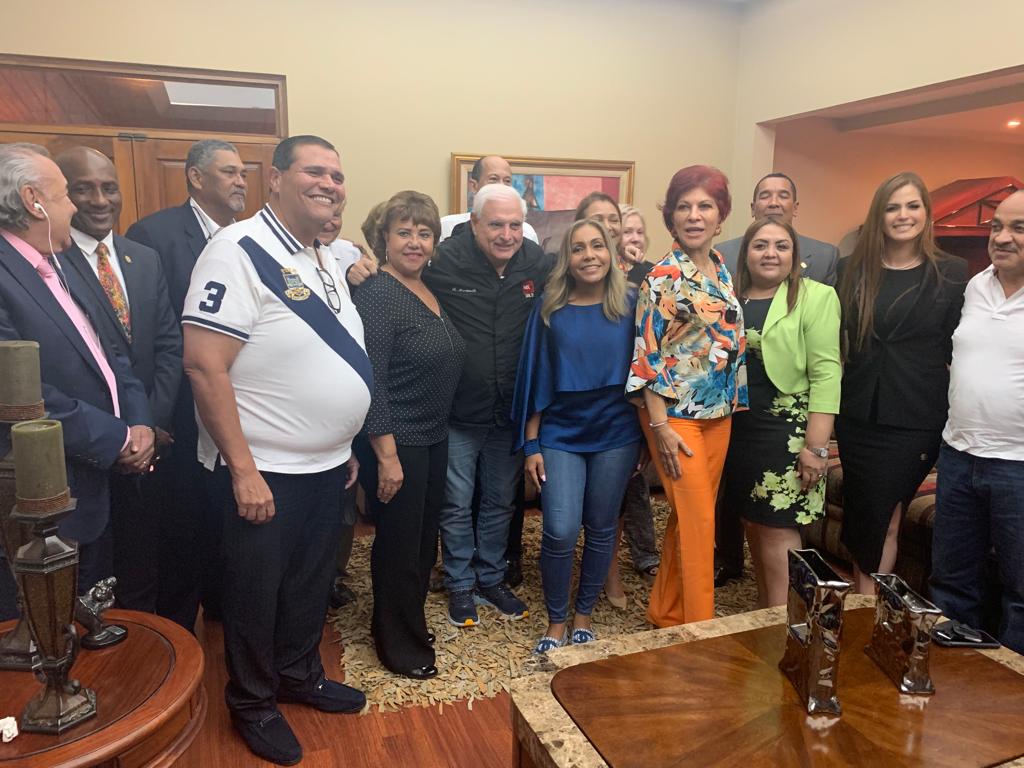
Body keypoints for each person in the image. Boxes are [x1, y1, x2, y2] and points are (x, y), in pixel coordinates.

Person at [182, 135, 369, 765]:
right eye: (314, 171)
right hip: (262, 473)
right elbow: (205, 367)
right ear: (276, 180)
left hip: (324, 466)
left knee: (309, 587)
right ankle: (253, 700)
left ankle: (298, 674)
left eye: (338, 176)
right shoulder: (235, 250)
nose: (329, 183)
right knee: (255, 594)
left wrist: (339, 441)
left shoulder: (323, 255)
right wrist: (243, 470)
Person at [0, 143, 154, 617]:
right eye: (66, 194)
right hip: (44, 498)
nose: (75, 207)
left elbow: (109, 354)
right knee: (48, 633)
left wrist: (140, 422)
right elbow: (19, 396)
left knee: (94, 620)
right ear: (34, 201)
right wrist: (118, 436)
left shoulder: (57, 262)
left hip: (91, 483)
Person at [125, 138, 248, 629]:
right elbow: (146, 335)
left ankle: (222, 608)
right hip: (178, 407)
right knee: (182, 525)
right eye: (229, 172)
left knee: (227, 515)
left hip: (237, 404)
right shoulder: (153, 235)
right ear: (196, 178)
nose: (241, 181)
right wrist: (154, 415)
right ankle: (173, 634)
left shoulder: (249, 239)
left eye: (243, 173)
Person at [55, 146, 182, 612]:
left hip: (151, 444)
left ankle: (147, 660)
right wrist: (123, 434)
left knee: (145, 564)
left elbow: (169, 345)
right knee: (91, 583)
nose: (99, 199)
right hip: (87, 453)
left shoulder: (142, 258)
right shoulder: (50, 261)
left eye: (109, 187)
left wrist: (150, 424)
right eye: (83, 188)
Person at [424, 183, 552, 627]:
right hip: (459, 410)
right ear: (473, 224)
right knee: (456, 502)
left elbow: (584, 276)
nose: (506, 234)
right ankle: (459, 583)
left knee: (500, 501)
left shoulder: (537, 263)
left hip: (509, 412)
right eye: (495, 224)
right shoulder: (442, 262)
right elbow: (395, 273)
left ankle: (491, 577)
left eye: (515, 225)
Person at [626, 165, 746, 627]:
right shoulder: (662, 276)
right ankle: (702, 632)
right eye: (684, 207)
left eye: (705, 206)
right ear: (671, 217)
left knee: (687, 520)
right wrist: (659, 430)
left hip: (719, 415)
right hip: (674, 417)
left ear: (720, 216)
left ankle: (666, 612)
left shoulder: (720, 269)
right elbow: (646, 355)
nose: (694, 216)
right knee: (700, 528)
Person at [836, 171, 968, 594]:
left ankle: (867, 603)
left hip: (915, 417)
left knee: (886, 512)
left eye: (912, 206)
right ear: (879, 215)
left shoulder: (952, 273)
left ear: (926, 214)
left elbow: (958, 348)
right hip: (857, 414)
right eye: (893, 207)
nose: (903, 215)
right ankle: (865, 603)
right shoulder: (849, 271)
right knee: (863, 510)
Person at [513, 218, 642, 652]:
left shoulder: (632, 303)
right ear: (565, 259)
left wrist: (647, 438)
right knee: (561, 528)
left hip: (617, 434)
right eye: (578, 248)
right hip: (561, 433)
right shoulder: (549, 307)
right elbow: (535, 379)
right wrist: (531, 444)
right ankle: (555, 621)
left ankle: (584, 614)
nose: (589, 256)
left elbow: (647, 377)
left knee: (602, 526)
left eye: (598, 246)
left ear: (612, 252)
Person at [352, 191, 466, 678]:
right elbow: (370, 378)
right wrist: (388, 457)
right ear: (384, 239)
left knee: (423, 542)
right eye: (404, 232)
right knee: (399, 545)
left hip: (432, 435)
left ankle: (408, 621)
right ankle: (396, 641)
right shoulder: (377, 293)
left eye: (424, 233)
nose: (415, 242)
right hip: (398, 439)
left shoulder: (427, 287)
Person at [714, 172, 840, 586]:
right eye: (761, 245)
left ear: (794, 253)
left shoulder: (816, 296)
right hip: (739, 427)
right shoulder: (732, 296)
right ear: (746, 252)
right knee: (753, 523)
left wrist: (817, 449)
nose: (771, 253)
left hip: (786, 432)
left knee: (777, 532)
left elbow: (827, 374)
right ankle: (766, 616)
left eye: (781, 246)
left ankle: (785, 627)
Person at [930, 190, 1024, 654]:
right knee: (952, 582)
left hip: (1018, 466)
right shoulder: (974, 285)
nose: (1003, 238)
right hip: (959, 455)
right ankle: (951, 678)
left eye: (1019, 228)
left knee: (1020, 591)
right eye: (996, 227)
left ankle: (1009, 701)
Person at [572, 198, 658, 609]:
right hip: (580, 415)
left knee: (622, 497)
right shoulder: (577, 277)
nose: (609, 227)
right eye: (599, 221)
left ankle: (614, 570)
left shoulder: (642, 278)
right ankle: (590, 572)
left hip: (630, 409)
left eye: (613, 221)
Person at [715, 173, 840, 286]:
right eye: (765, 196)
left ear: (795, 208)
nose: (774, 203)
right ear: (753, 209)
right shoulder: (724, 253)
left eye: (783, 196)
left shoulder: (824, 256)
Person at [439, 155, 539, 244]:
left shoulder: (527, 232)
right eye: (493, 179)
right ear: (474, 186)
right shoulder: (446, 226)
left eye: (507, 181)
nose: (501, 186)